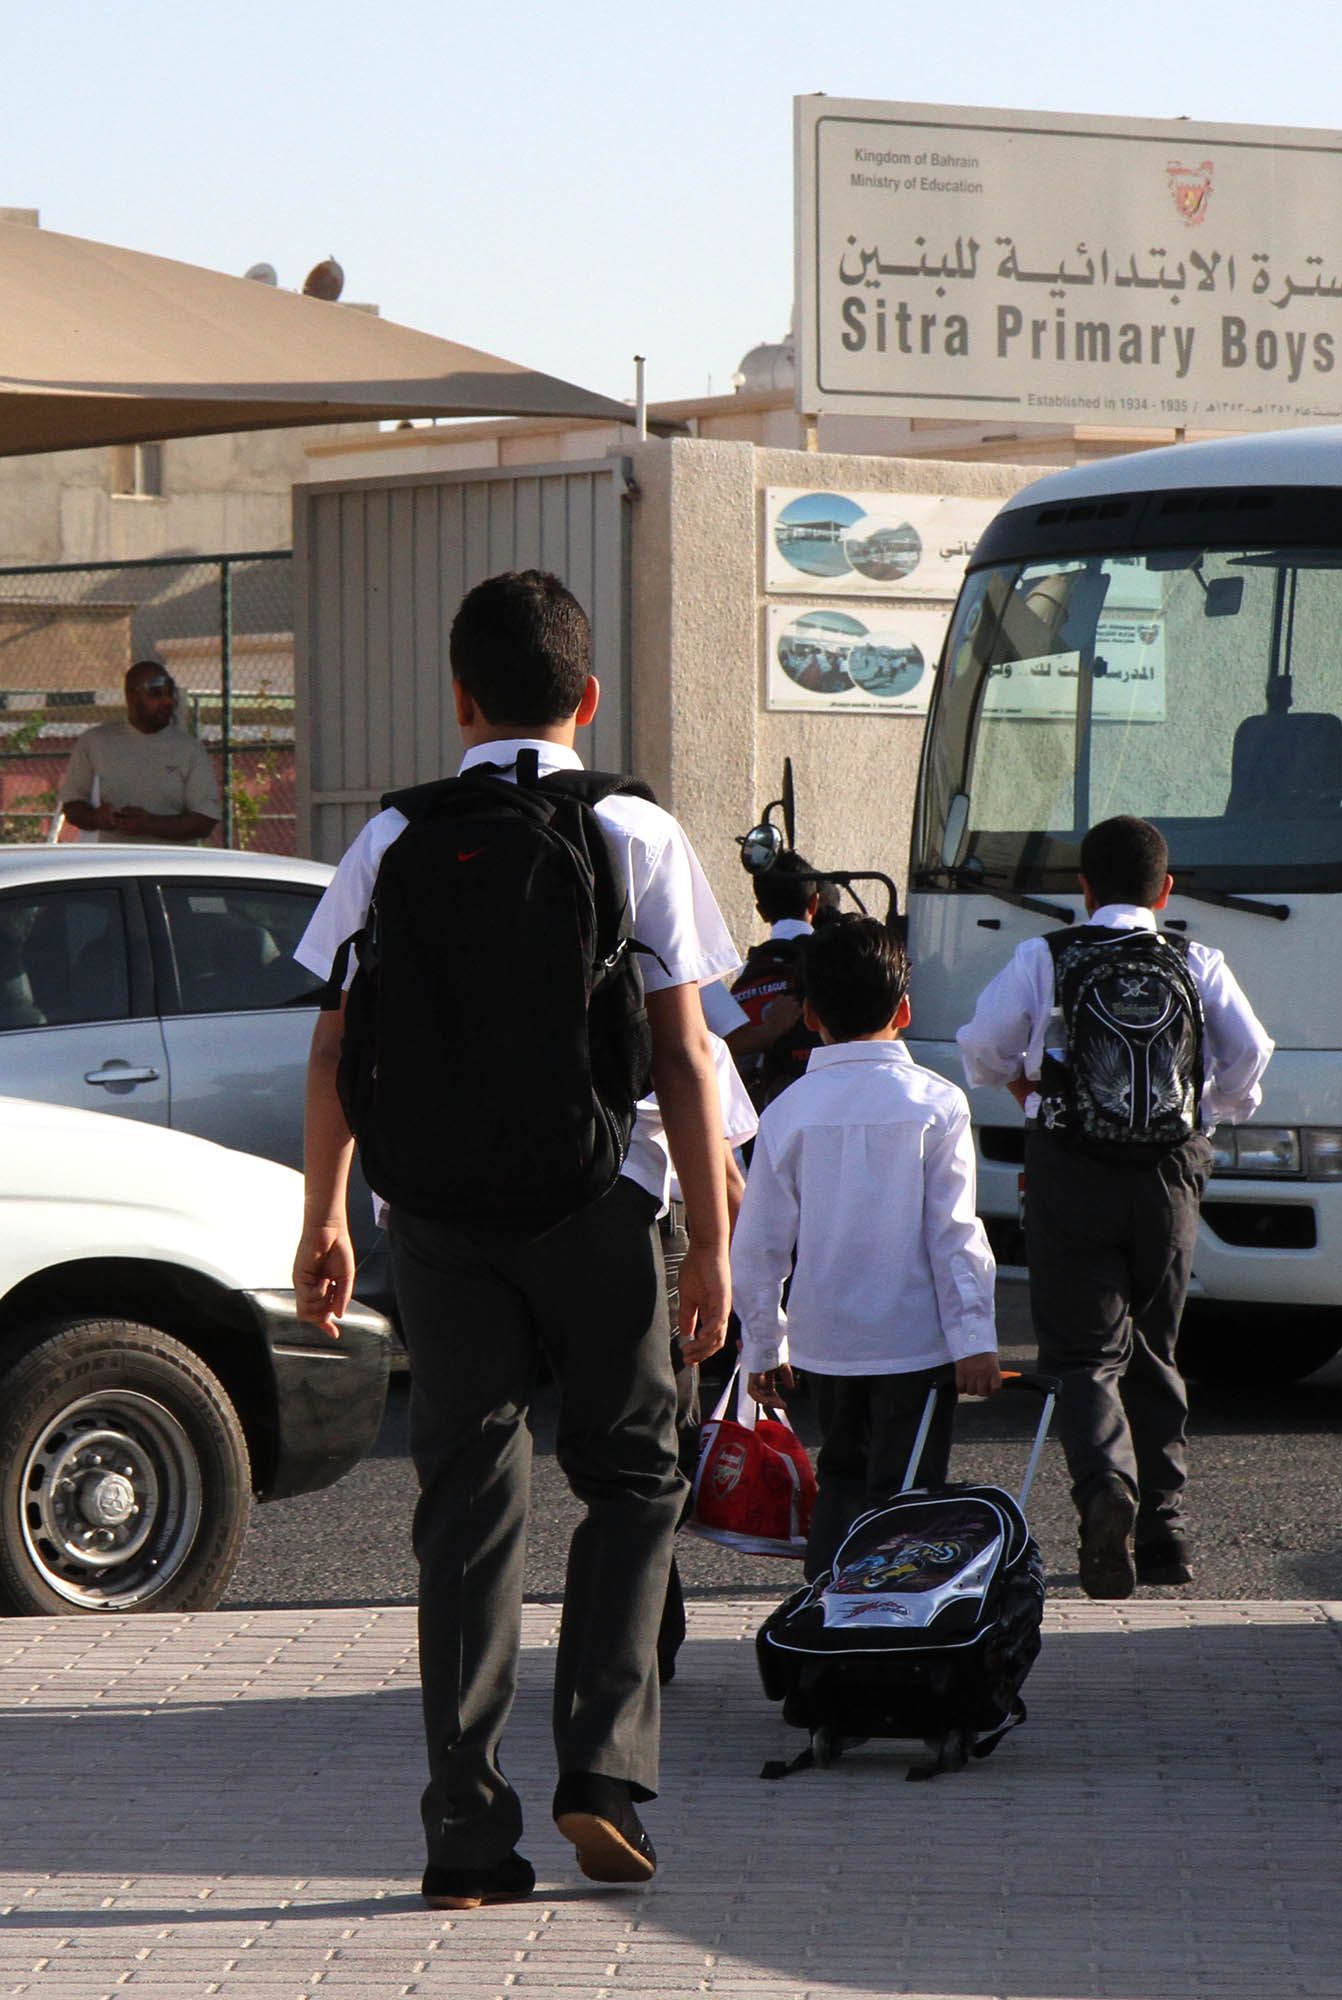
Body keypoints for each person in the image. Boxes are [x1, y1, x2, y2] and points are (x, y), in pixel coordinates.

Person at [291, 569, 738, 1909]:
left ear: (460, 700)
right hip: (597, 1203)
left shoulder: (392, 837)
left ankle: (465, 1835)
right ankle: (601, 1769)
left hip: (436, 1219)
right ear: (587, 698)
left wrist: (324, 1217)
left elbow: (332, 1045)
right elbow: (684, 1055)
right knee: (633, 1477)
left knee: (466, 1507)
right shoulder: (634, 830)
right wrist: (711, 1242)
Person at [956, 816, 1273, 1599]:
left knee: (1084, 1356)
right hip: (1169, 1175)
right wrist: (1208, 1113)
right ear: (1166, 891)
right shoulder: (1196, 960)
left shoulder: (1045, 955)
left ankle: (1105, 1489)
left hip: (1069, 1171)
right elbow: (1252, 1052)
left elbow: (983, 1047)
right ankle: (1165, 1535)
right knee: (1156, 1347)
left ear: (1082, 888)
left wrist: (1029, 1093)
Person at [736, 918, 1002, 1582]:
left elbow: (761, 1243)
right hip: (918, 1340)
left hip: (826, 1341)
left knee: (841, 1475)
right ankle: (896, 1622)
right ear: (904, 1010)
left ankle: (828, 1608)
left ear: (811, 1016)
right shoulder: (938, 1103)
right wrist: (974, 1338)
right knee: (910, 1494)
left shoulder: (789, 1109)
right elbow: (955, 1233)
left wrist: (764, 1345)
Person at [632, 1029, 759, 1683]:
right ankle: (646, 1637)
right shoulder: (691, 1039)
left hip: (534, 1228)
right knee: (659, 1439)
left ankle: (633, 1631)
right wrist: (763, 1295)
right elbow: (728, 1174)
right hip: (663, 1227)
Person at [59, 660, 221, 844]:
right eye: (156, 693)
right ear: (132, 696)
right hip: (113, 860)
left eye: (170, 693)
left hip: (170, 862)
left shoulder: (190, 749)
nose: (167, 701)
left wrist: (151, 825)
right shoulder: (94, 742)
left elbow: (205, 821)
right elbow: (72, 805)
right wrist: (96, 818)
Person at [726, 850, 822, 1110]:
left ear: (761, 911)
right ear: (815, 903)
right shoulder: (830, 959)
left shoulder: (749, 970)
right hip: (824, 1095)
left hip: (764, 1107)